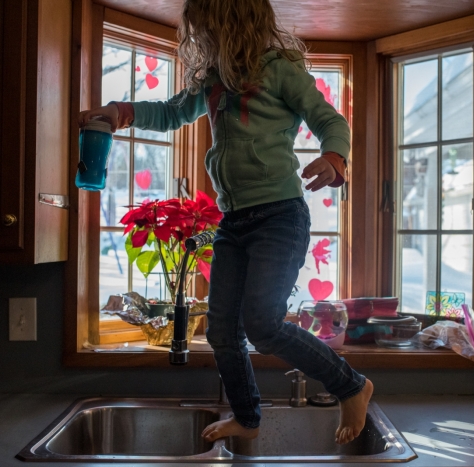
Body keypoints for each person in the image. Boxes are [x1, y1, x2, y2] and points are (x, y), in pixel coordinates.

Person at [78, 0, 373, 446]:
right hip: (235, 221)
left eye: (207, 30)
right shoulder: (214, 80)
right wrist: (122, 112)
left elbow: (329, 118)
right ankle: (247, 416)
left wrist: (334, 156)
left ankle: (352, 385)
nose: (201, 39)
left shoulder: (279, 68)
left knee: (263, 324)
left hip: (280, 215)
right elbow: (173, 111)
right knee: (221, 331)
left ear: (233, 24)